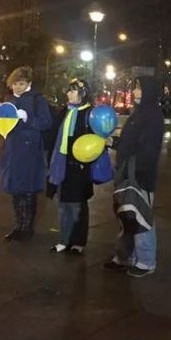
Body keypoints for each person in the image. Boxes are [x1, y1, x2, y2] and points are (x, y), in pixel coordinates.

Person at [103, 75, 164, 277]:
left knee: (141, 217)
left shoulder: (153, 115)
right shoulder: (139, 114)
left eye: (139, 88)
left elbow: (148, 148)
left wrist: (141, 174)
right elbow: (130, 141)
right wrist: (114, 142)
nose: (135, 92)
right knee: (127, 216)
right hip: (127, 172)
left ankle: (146, 261)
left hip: (139, 174)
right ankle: (124, 256)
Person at [0, 66, 53, 241]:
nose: (18, 87)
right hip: (13, 150)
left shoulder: (37, 100)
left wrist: (28, 119)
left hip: (30, 150)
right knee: (16, 188)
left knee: (28, 189)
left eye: (21, 83)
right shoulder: (10, 100)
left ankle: (27, 227)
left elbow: (46, 122)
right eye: (15, 84)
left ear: (28, 83)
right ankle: (19, 225)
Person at [46, 78, 95, 254]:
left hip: (80, 166)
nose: (68, 93)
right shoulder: (64, 112)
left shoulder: (90, 114)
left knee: (78, 205)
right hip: (62, 164)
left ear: (83, 94)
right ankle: (64, 239)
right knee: (64, 203)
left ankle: (78, 242)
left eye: (72, 91)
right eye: (68, 90)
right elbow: (53, 136)